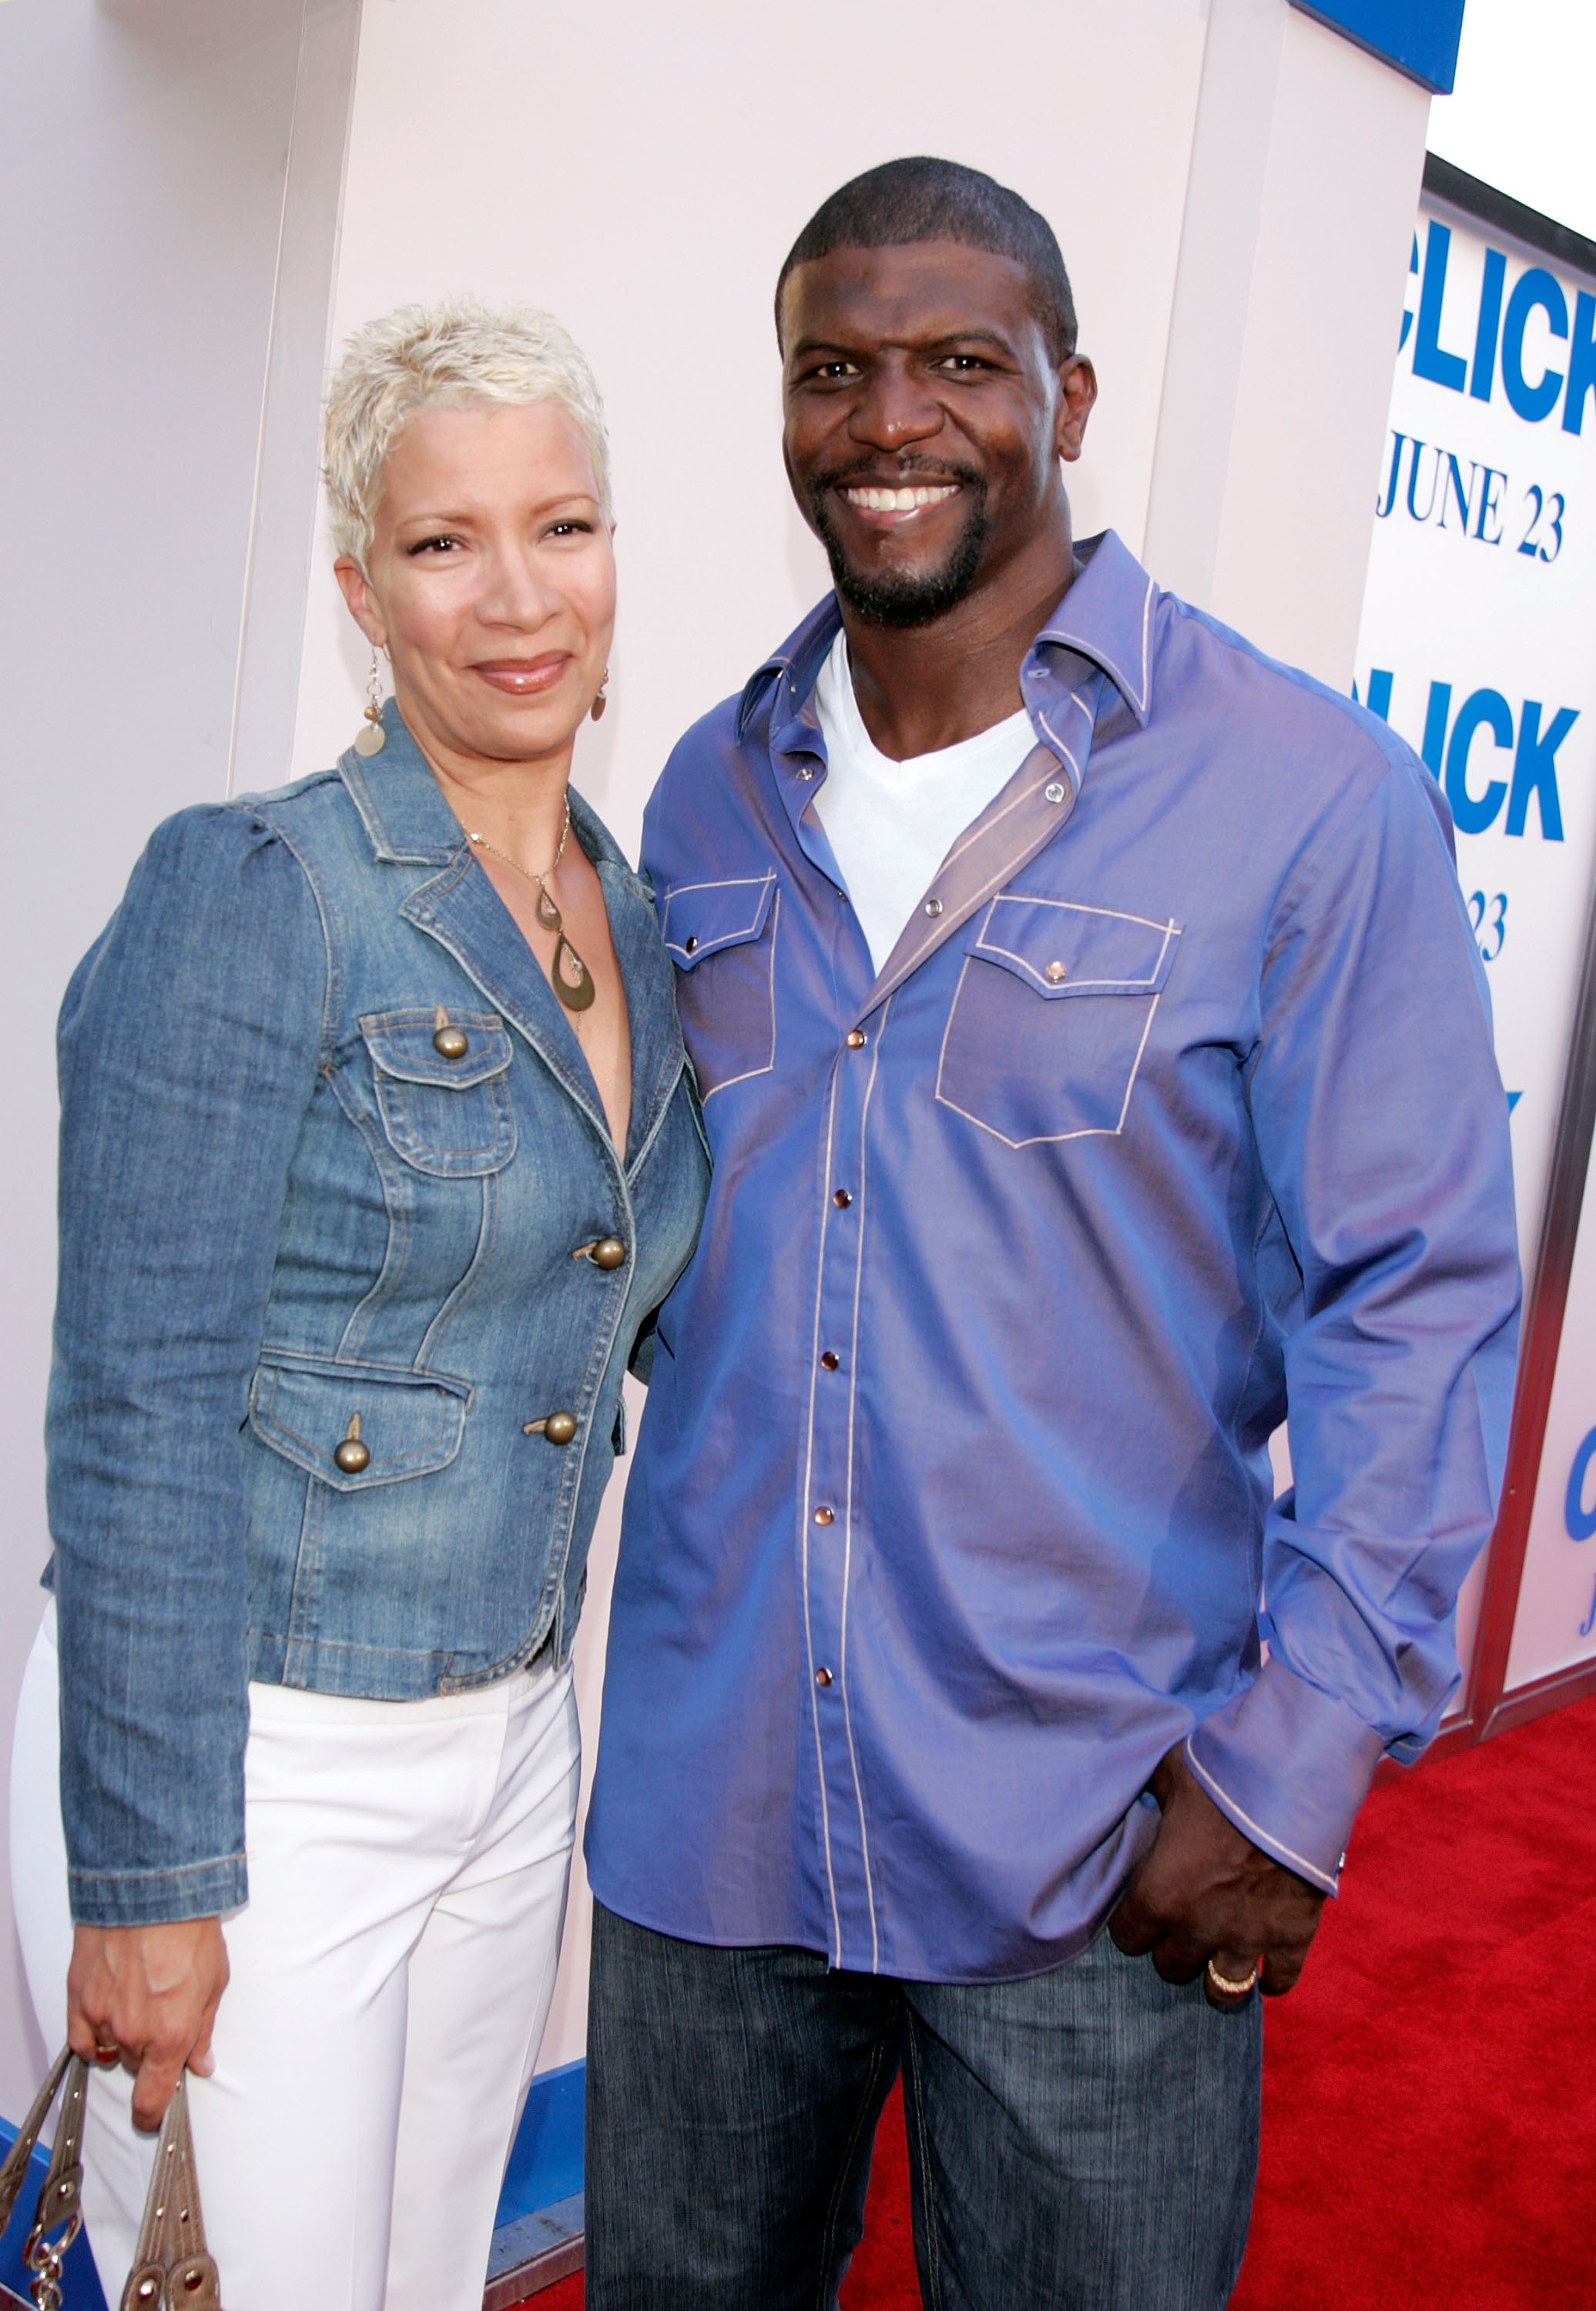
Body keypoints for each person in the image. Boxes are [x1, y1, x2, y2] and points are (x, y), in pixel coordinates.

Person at [581, 158, 1521, 2309]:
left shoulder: (1303, 794)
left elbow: (1422, 1298)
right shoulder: (704, 800)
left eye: (954, 364)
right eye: (833, 371)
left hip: (1101, 1848)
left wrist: (1287, 1778)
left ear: (1067, 393)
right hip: (710, 1832)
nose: (887, 420)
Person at [9, 297, 709, 2311]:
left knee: (420, 2282)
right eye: (441, 543)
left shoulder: (632, 918)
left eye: (561, 528)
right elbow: (133, 1409)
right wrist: (149, 1886)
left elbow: (624, 1310)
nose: (517, 596)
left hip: (508, 1751)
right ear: (358, 592)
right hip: (258, 1759)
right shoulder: (252, 892)